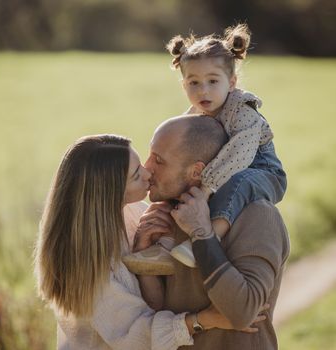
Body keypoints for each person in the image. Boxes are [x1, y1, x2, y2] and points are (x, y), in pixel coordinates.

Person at [34, 134, 265, 350]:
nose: (148, 174)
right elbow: (136, 336)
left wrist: (143, 253)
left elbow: (152, 304)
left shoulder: (133, 214)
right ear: (108, 193)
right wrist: (208, 319)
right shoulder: (85, 265)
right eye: (136, 175)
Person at [123, 23, 287, 271]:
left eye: (212, 81)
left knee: (238, 183)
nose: (203, 90)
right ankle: (162, 245)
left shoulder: (242, 109)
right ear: (183, 85)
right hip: (223, 170)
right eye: (194, 83)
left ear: (231, 82)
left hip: (261, 170)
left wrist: (207, 187)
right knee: (178, 184)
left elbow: (239, 155)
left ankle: (209, 237)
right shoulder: (195, 114)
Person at [133, 116, 290, 349]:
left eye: (159, 160)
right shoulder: (172, 214)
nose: (147, 168)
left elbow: (242, 312)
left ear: (197, 171)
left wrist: (202, 233)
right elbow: (161, 311)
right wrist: (143, 256)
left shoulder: (257, 215)